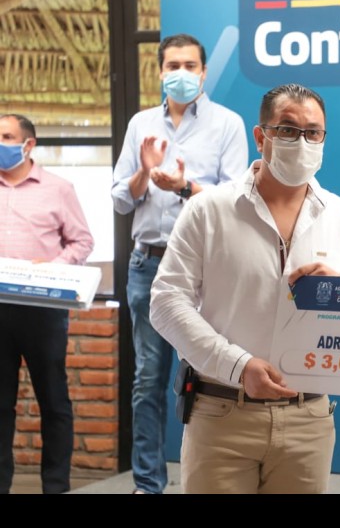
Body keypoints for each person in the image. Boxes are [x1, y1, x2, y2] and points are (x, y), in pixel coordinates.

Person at [149, 83, 340, 494]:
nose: (302, 142)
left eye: (313, 132)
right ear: (261, 137)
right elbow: (166, 302)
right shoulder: (209, 210)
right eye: (288, 130)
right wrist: (238, 366)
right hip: (222, 412)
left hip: (308, 418)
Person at [111, 33, 248, 494]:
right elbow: (121, 199)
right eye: (173, 66)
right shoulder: (140, 124)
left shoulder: (227, 124)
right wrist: (144, 173)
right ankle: (148, 485)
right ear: (160, 71)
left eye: (191, 66)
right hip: (148, 265)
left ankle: (205, 480)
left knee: (208, 377)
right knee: (147, 380)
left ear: (204, 72)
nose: (182, 74)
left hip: (204, 269)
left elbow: (237, 200)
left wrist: (185, 187)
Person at [0, 114, 94, 494]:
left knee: (54, 402)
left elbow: (82, 242)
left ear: (28, 144)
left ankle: (56, 486)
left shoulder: (58, 189)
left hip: (43, 311)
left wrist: (52, 269)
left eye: (6, 136)